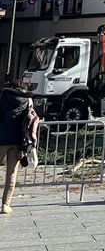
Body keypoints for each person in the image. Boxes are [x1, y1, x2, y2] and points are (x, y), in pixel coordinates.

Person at [0, 79, 34, 215]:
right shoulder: (27, 101)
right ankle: (5, 205)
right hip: (17, 142)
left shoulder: (2, 98)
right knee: (11, 174)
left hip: (0, 139)